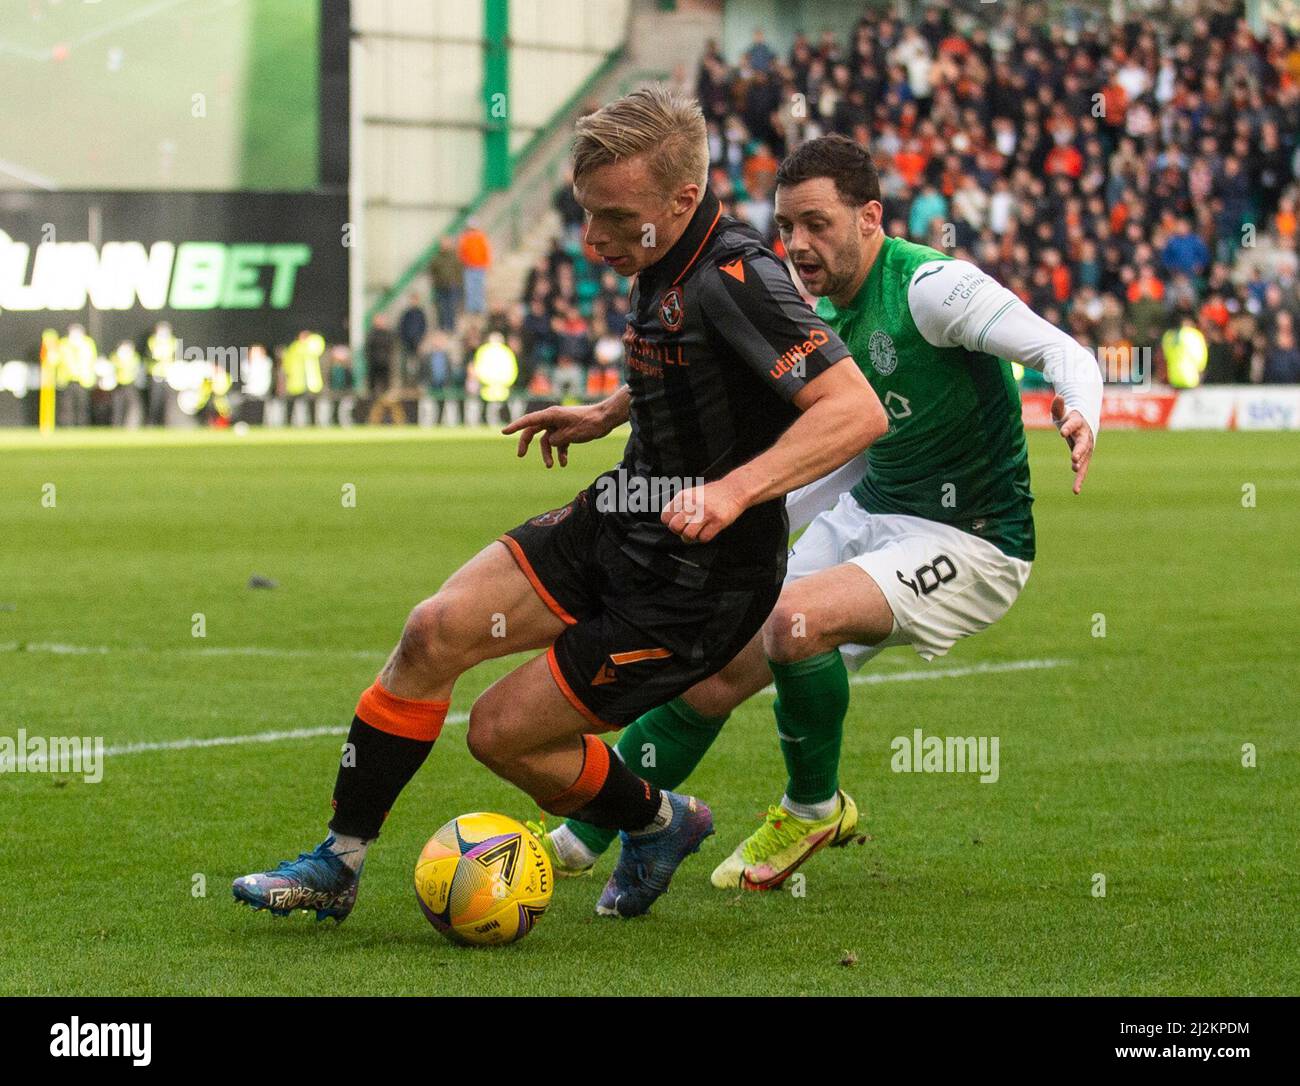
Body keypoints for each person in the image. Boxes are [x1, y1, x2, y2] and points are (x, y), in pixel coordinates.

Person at [233, 86, 884, 923]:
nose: (592, 239)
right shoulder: (665, 256)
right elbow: (709, 365)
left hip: (699, 584)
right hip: (623, 514)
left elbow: (853, 409)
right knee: (432, 630)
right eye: (586, 213)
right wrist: (614, 409)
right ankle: (339, 862)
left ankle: (658, 821)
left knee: (500, 734)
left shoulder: (740, 275)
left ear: (684, 201)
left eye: (613, 217)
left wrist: (734, 489)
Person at [541, 134, 1102, 892]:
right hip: (870, 510)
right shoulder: (811, 301)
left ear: (870, 217)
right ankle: (580, 839)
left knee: (793, 620)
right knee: (709, 673)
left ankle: (812, 806)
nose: (797, 244)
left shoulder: (931, 288)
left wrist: (1081, 412)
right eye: (786, 227)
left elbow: (1061, 350)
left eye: (817, 224)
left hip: (973, 542)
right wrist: (614, 410)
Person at [457, 220, 492, 316]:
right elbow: (462, 252)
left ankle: (479, 307)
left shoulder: (481, 237)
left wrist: (486, 264)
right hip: (469, 267)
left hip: (480, 266)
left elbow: (486, 251)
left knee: (479, 287)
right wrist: (465, 262)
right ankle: (471, 308)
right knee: (470, 288)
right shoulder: (465, 238)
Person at [428, 237, 462, 331]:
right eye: (443, 244)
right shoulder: (436, 257)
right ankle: (442, 327)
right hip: (440, 286)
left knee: (451, 307)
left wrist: (458, 283)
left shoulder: (455, 257)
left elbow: (459, 271)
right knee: (441, 307)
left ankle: (451, 327)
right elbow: (432, 271)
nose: (444, 246)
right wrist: (435, 281)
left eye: (446, 243)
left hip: (453, 286)